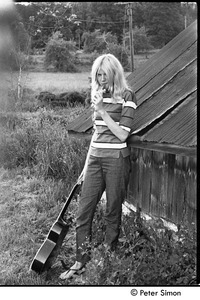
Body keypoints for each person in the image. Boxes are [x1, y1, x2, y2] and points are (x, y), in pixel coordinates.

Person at [59, 53, 137, 280]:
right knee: (84, 212)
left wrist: (103, 110)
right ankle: (80, 261)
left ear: (114, 73)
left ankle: (107, 259)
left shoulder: (127, 96)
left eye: (105, 74)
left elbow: (122, 134)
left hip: (116, 160)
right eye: (98, 75)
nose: (101, 79)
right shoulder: (97, 95)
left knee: (113, 210)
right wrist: (87, 163)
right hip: (94, 159)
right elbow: (97, 133)